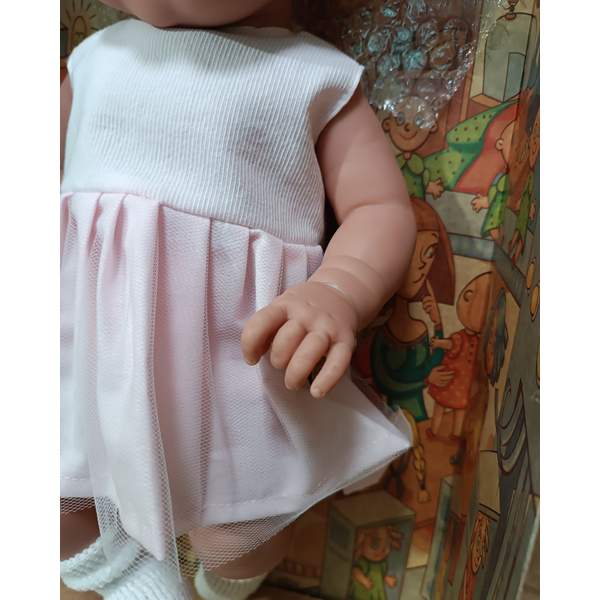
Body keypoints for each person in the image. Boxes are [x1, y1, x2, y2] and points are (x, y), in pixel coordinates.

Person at [59, 1, 418, 598]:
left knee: (236, 534)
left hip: (230, 365)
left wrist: (337, 289)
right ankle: (124, 577)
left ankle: (228, 582)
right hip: (85, 357)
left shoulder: (313, 77)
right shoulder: (92, 60)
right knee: (53, 506)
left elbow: (377, 208)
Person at [427, 273, 491, 440]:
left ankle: (446, 432)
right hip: (452, 380)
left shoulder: (474, 340)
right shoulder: (461, 337)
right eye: (468, 295)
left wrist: (438, 343)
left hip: (458, 382)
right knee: (446, 407)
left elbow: (450, 344)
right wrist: (439, 343)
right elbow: (451, 344)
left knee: (451, 408)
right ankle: (439, 431)